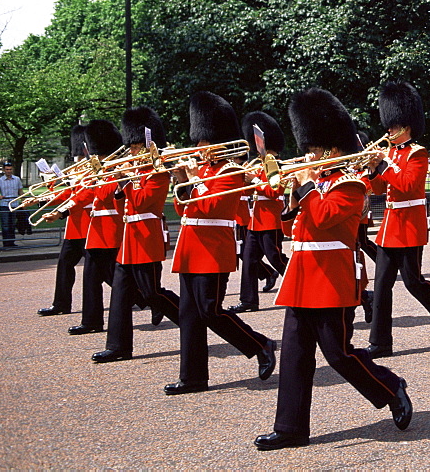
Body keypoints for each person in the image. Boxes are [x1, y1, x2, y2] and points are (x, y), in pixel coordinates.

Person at [254, 88, 412, 451]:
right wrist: (290, 194)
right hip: (303, 274)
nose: (308, 155)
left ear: (333, 150)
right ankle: (290, 427)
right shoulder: (318, 183)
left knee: (338, 353)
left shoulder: (351, 184)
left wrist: (306, 184)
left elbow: (325, 218)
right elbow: (289, 223)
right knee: (294, 355)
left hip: (332, 276)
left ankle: (390, 386)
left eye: (313, 149)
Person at [164, 91, 276, 395]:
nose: (199, 149)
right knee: (189, 316)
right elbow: (183, 208)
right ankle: (193, 377)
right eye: (199, 143)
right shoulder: (201, 171)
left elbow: (212, 207)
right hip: (190, 246)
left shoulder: (232, 172)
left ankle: (260, 344)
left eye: (204, 143)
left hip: (213, 248)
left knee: (210, 310)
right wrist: (179, 180)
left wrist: (190, 178)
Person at [365, 81, 430, 358]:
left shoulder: (417, 153)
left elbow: (408, 185)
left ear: (405, 126)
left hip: (409, 223)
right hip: (390, 223)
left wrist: (383, 165)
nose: (388, 130)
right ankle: (381, 342)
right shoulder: (391, 153)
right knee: (382, 283)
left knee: (412, 281)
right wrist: (373, 171)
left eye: (393, 126)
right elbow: (378, 190)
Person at [92, 106, 182, 363]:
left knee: (153, 293)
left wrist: (126, 180)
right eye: (131, 147)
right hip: (129, 238)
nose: (131, 152)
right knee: (119, 293)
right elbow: (121, 203)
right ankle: (117, 346)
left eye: (135, 147)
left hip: (146, 237)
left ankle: (189, 319)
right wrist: (120, 182)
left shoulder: (158, 172)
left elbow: (144, 202)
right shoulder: (135, 171)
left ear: (147, 147)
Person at [52, 120, 125, 335]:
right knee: (91, 277)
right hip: (96, 232)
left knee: (117, 278)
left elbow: (103, 195)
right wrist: (61, 211)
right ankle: (91, 321)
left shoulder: (118, 170)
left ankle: (146, 298)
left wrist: (99, 177)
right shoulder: (102, 170)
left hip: (111, 229)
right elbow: (83, 195)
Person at [230, 112, 288, 313]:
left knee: (276, 259)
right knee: (249, 260)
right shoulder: (259, 164)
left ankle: (300, 284)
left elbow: (275, 191)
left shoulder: (276, 165)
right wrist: (242, 178)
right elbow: (246, 192)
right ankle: (248, 300)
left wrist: (254, 181)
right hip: (256, 220)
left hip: (271, 220)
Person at [37, 126, 90, 315]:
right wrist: (41, 200)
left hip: (90, 227)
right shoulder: (77, 173)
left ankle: (139, 297)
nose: (78, 161)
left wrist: (60, 212)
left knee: (106, 272)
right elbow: (67, 194)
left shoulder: (93, 173)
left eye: (81, 156)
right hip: (74, 228)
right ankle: (61, 303)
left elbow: (83, 197)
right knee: (64, 265)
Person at [0, 161, 23, 247]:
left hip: (14, 204)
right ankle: (6, 243)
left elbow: (20, 191)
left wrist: (23, 200)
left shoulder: (17, 179)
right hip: (4, 205)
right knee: (5, 224)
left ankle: (12, 242)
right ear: (4, 170)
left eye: (10, 169)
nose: (9, 171)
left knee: (12, 224)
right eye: (7, 169)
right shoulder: (0, 180)